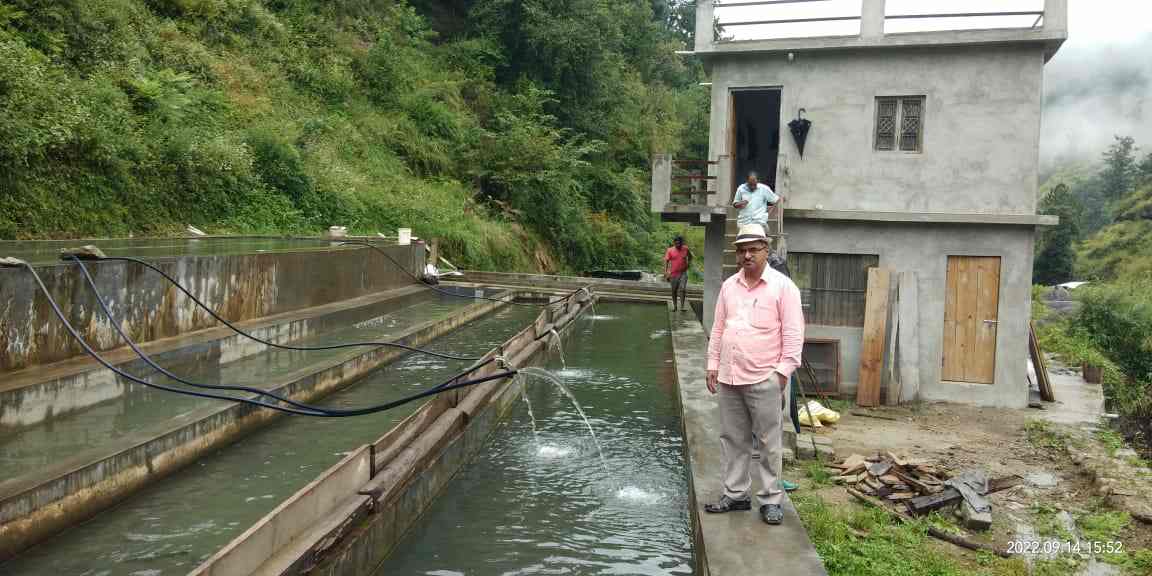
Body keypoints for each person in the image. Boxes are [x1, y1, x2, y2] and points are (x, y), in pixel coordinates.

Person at [703, 223, 804, 525]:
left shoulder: (783, 287)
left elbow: (794, 332)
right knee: (732, 438)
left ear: (766, 250)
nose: (747, 255)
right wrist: (712, 364)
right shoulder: (729, 286)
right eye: (742, 250)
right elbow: (719, 327)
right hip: (729, 377)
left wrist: (782, 372)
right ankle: (736, 494)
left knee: (768, 442)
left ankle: (771, 499)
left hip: (764, 377)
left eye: (753, 249)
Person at [664, 235, 692, 311]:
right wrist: (666, 272)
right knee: (674, 290)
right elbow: (666, 261)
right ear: (674, 243)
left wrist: (688, 264)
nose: (677, 245)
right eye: (676, 243)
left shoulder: (685, 249)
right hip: (673, 273)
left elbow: (690, 257)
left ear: (681, 243)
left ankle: (682, 306)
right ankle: (675, 306)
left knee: (682, 289)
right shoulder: (670, 250)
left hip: (683, 273)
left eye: (679, 243)